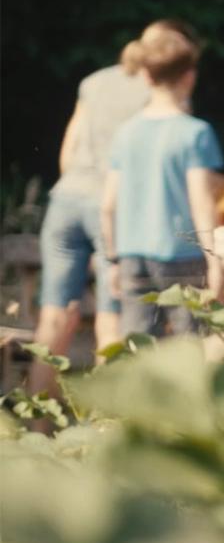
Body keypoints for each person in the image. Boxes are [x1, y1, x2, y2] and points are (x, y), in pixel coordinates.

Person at [24, 23, 156, 399]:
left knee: (53, 316)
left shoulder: (93, 82)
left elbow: (68, 150)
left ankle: (38, 426)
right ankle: (102, 427)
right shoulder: (155, 91)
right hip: (113, 207)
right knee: (110, 322)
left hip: (66, 200)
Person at [100, 21, 224, 338]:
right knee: (189, 345)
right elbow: (201, 203)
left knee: (135, 347)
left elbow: (108, 206)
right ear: (190, 77)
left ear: (145, 76)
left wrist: (113, 259)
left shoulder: (125, 133)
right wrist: (214, 262)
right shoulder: (195, 133)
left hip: (131, 255)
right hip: (182, 256)